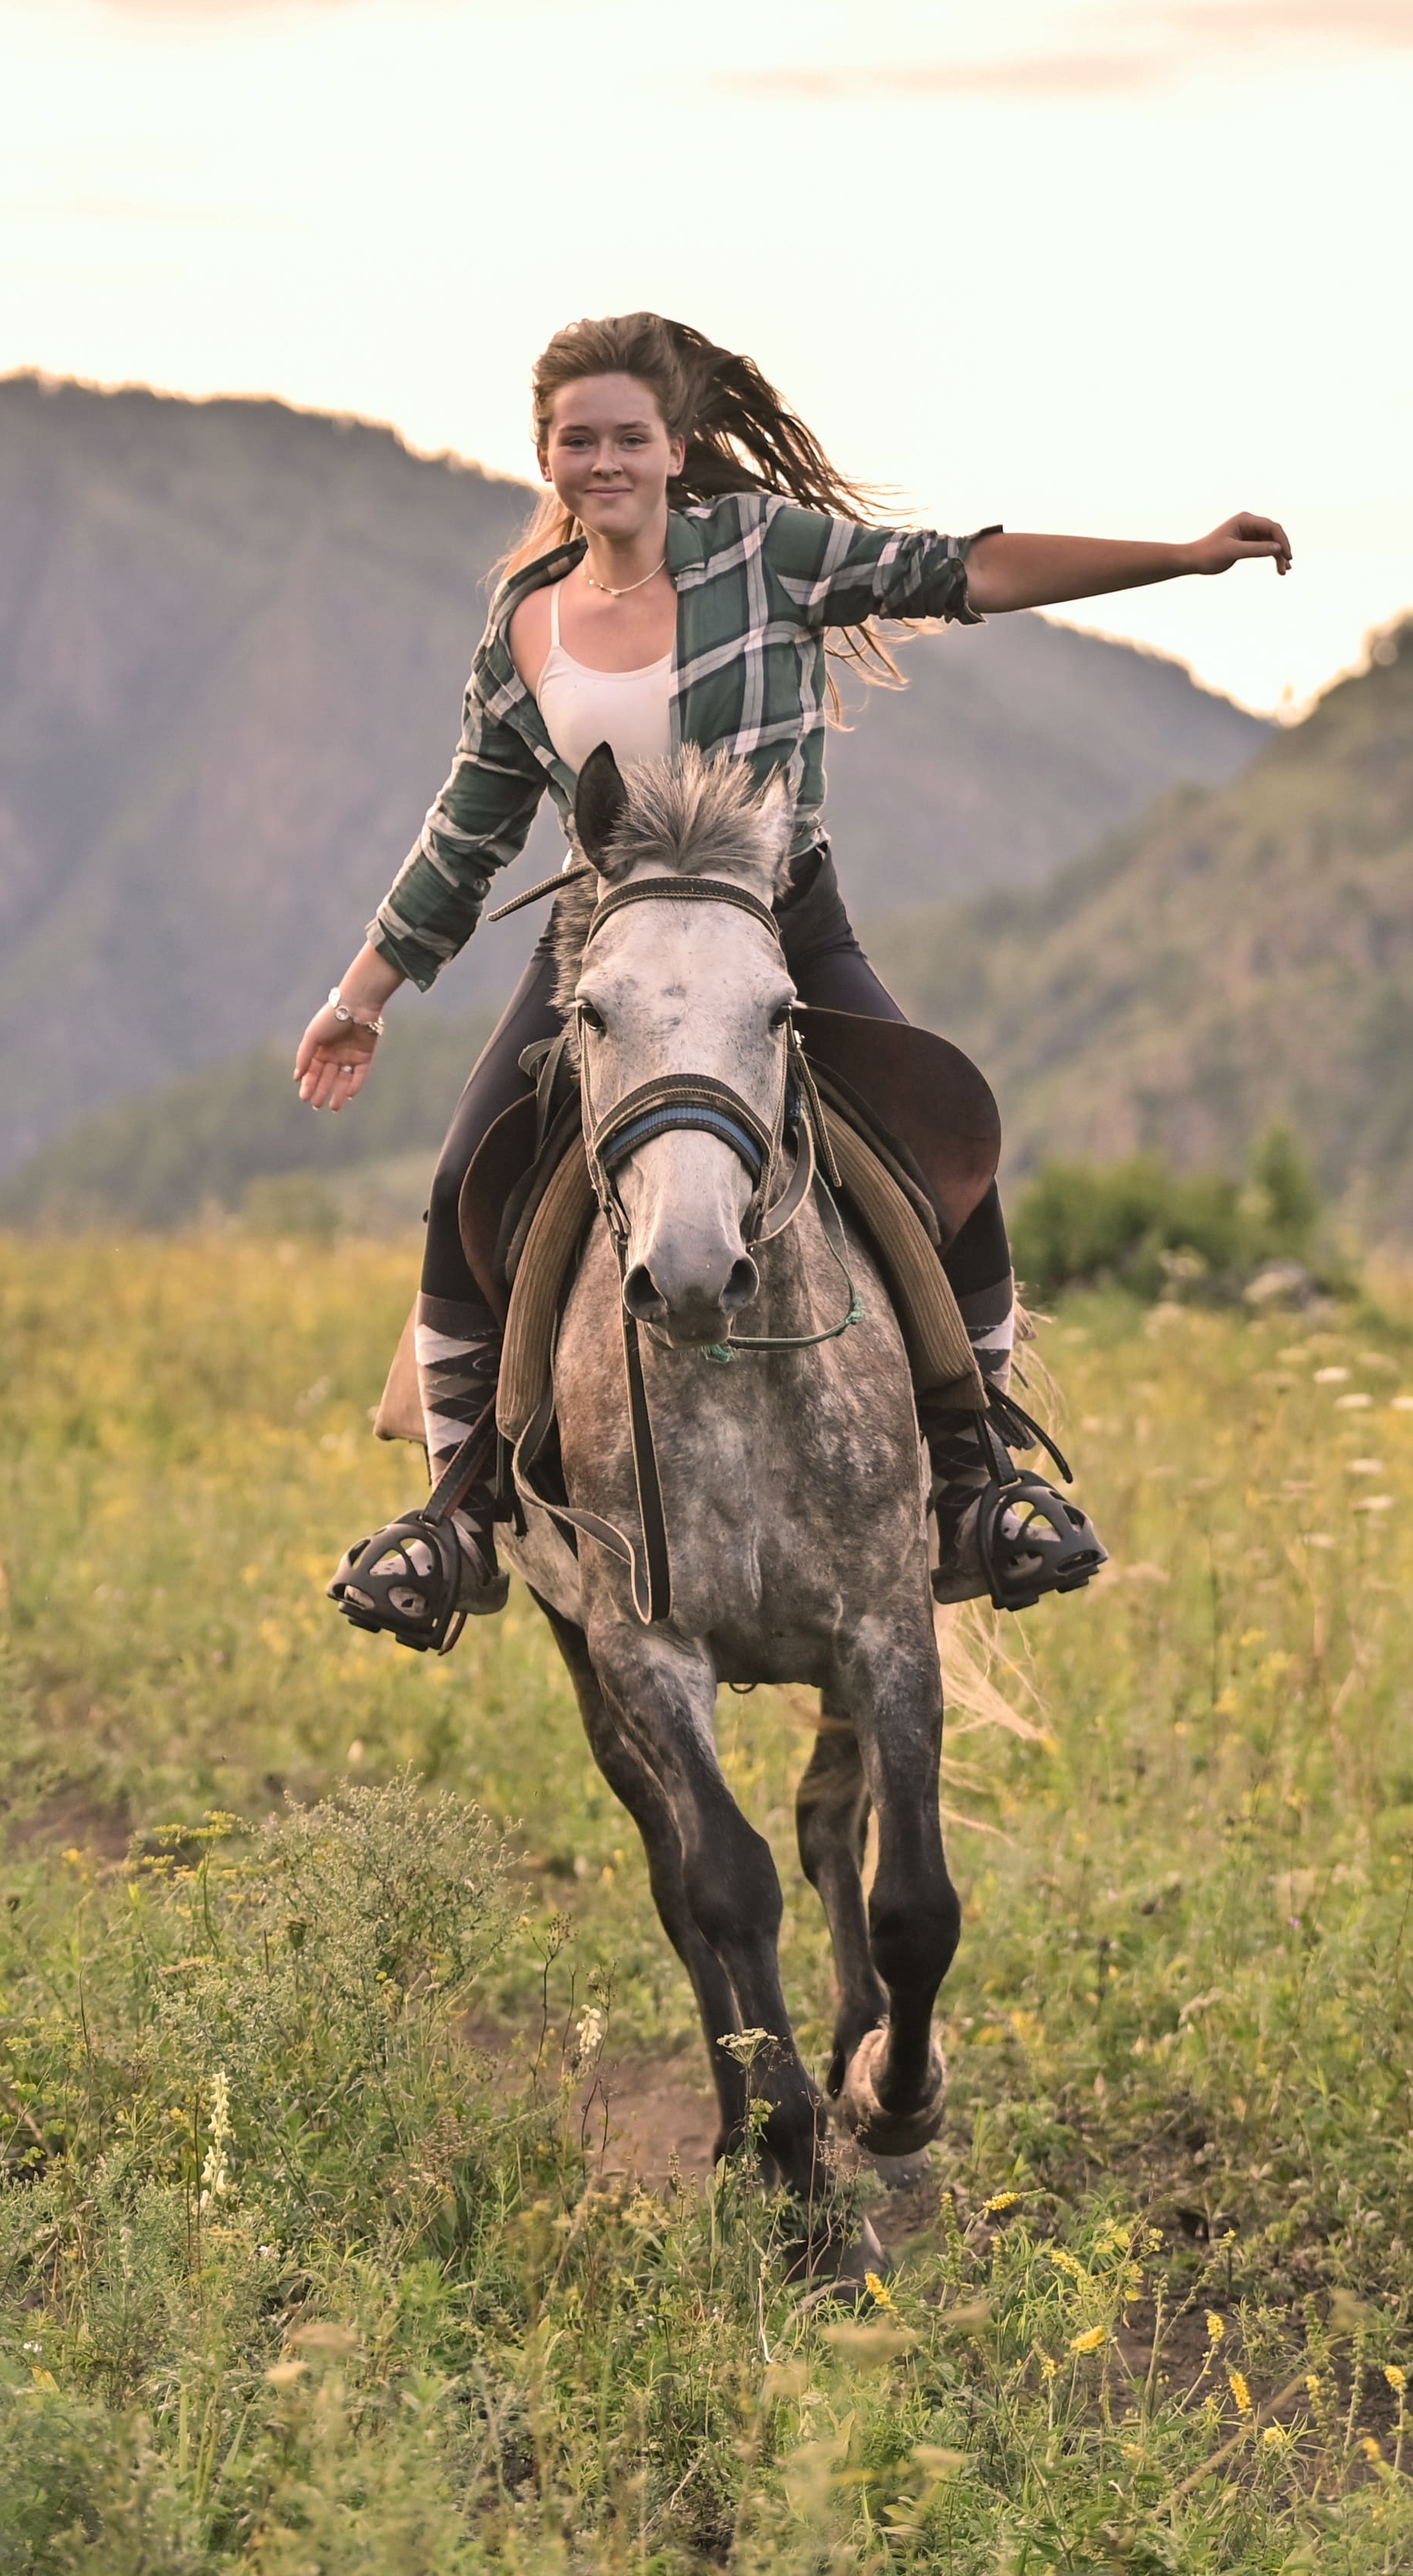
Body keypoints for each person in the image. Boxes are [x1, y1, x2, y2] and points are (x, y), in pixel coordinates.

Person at [305, 311, 1290, 1650]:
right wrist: (361, 993)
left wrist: (1177, 558)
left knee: (946, 1135)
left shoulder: (766, 552)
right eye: (576, 439)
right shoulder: (528, 622)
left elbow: (964, 572)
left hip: (777, 924)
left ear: (674, 447)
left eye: (628, 438)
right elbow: (471, 824)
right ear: (546, 453)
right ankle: (457, 1515)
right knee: (460, 1182)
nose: (604, 461)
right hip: (604, 948)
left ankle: (979, 1475)